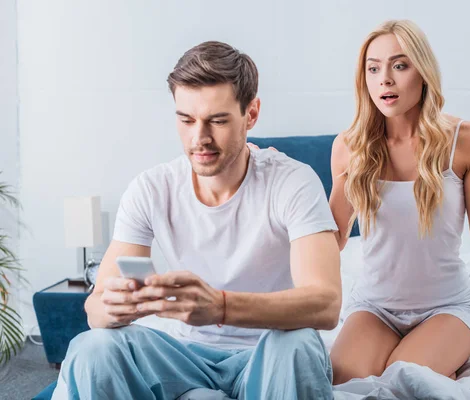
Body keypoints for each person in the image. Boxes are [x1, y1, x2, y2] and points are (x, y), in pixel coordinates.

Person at [52, 41, 341, 400]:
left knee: (299, 342)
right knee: (93, 348)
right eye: (185, 120)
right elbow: (94, 312)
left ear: (251, 114)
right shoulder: (151, 188)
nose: (198, 138)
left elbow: (326, 304)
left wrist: (220, 306)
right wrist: (114, 306)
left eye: (217, 121)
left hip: (268, 352)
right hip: (183, 356)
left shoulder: (292, 182)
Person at [326, 20, 470, 384]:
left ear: (423, 73)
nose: (385, 80)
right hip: (374, 308)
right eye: (374, 68)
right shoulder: (349, 147)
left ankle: (445, 352)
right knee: (342, 384)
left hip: (447, 308)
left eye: (400, 65)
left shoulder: (466, 139)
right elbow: (330, 242)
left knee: (403, 382)